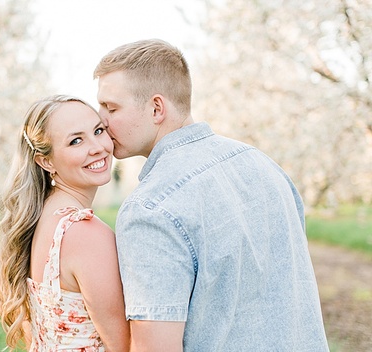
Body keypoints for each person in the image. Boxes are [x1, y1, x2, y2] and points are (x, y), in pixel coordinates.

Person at [94, 39, 329, 351]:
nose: (101, 120)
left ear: (156, 108)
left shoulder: (149, 209)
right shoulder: (264, 165)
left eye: (111, 108)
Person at [0, 95, 130, 351]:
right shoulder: (85, 232)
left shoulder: (40, 216)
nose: (98, 146)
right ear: (46, 161)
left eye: (98, 131)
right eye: (76, 140)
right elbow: (124, 346)